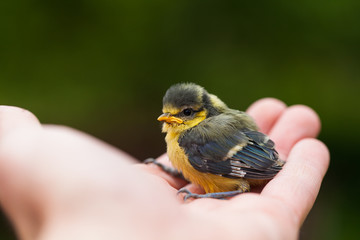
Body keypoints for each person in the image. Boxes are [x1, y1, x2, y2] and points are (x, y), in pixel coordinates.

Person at [0, 98, 329, 240]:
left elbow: (243, 167)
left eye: (183, 113)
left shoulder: (196, 140)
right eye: (168, 113)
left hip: (246, 172)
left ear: (199, 113)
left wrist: (214, 194)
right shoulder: (182, 141)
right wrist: (175, 171)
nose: (169, 119)